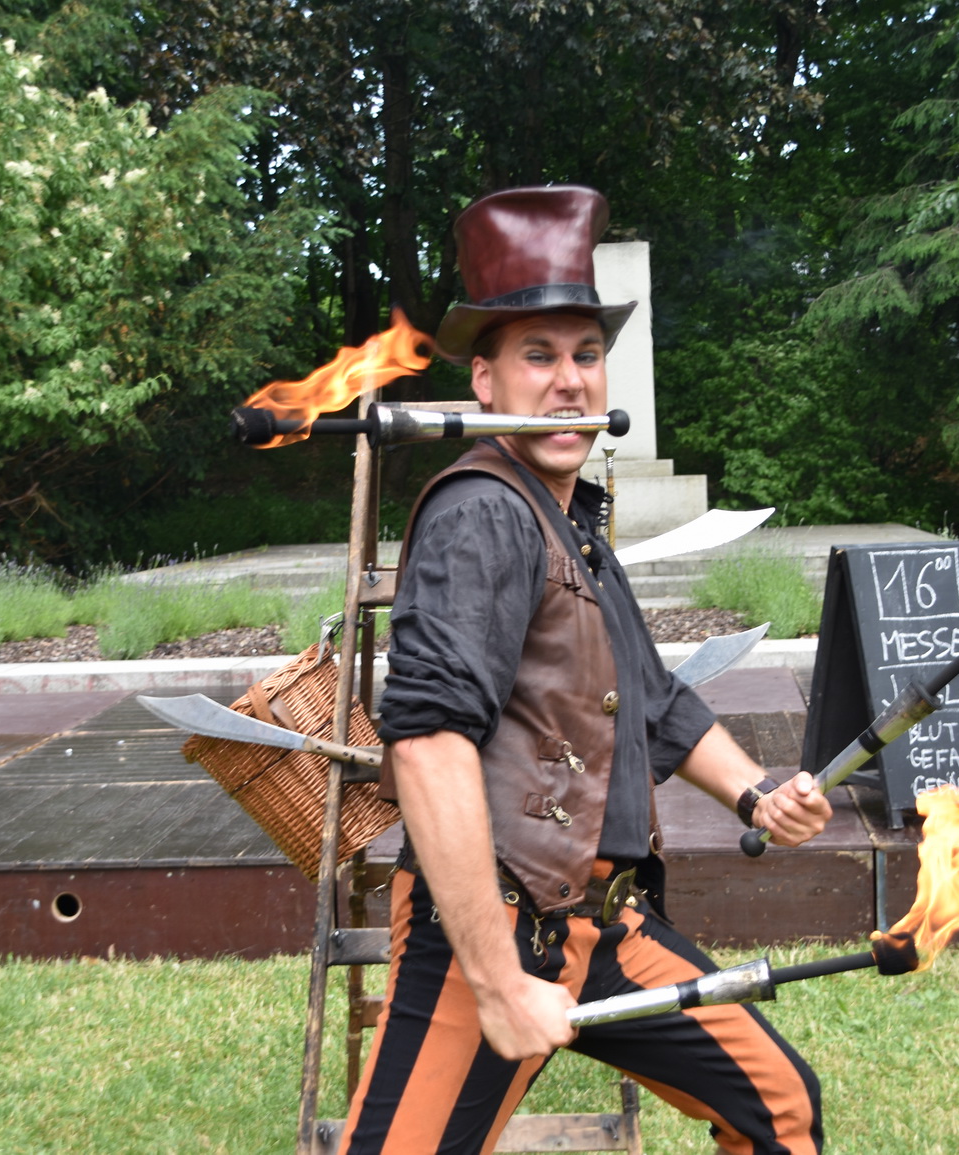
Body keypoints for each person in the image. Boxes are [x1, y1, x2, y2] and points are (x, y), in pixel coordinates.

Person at [338, 186, 833, 1155]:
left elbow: (651, 703)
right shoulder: (480, 512)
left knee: (778, 1108)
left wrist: (754, 793)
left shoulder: (571, 520)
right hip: (490, 923)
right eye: (537, 356)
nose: (568, 381)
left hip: (605, 927)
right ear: (485, 383)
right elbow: (428, 743)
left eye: (584, 355)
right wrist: (491, 979)